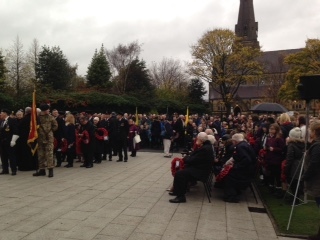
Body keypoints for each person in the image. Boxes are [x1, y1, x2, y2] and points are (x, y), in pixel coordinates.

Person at [169, 132, 214, 203]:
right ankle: (177, 191)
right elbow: (195, 158)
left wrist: (185, 158)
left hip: (200, 172)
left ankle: (180, 196)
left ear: (201, 140)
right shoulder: (206, 146)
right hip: (201, 169)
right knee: (183, 171)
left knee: (180, 174)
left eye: (197, 139)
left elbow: (193, 160)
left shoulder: (205, 149)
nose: (196, 140)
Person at [222, 133, 256, 203]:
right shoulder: (244, 144)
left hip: (245, 172)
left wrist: (235, 166)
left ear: (235, 141)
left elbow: (246, 160)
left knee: (228, 175)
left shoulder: (240, 147)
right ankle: (233, 193)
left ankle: (232, 196)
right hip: (248, 169)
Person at [301, 120, 320, 240]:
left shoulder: (317, 146)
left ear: (315, 132)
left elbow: (314, 163)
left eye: (311, 130)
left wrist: (305, 176)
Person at [33, 104, 58, 177]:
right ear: (44, 110)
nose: (49, 110)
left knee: (49, 154)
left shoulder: (50, 117)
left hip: (48, 138)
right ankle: (42, 169)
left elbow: (55, 126)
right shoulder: (37, 118)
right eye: (48, 109)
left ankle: (50, 169)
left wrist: (50, 132)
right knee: (40, 155)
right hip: (40, 138)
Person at [285, 127, 305, 202]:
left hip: (294, 164)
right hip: (301, 163)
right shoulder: (303, 143)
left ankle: (295, 199)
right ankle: (295, 197)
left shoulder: (291, 145)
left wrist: (287, 167)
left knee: (293, 181)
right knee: (297, 181)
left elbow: (290, 157)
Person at [0, 108, 19, 175]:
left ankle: (13, 169)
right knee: (3, 156)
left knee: (11, 156)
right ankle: (5, 169)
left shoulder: (12, 120)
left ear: (5, 113)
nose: (0, 114)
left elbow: (15, 131)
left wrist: (13, 140)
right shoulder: (1, 121)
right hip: (2, 141)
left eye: (1, 113)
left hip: (9, 141)